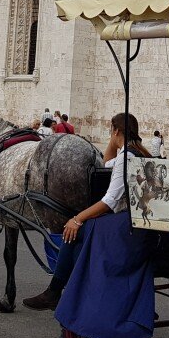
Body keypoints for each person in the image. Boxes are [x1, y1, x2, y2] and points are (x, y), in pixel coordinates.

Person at [23, 113, 153, 312]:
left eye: (112, 131)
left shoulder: (126, 158)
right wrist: (113, 142)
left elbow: (110, 201)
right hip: (135, 219)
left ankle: (54, 290)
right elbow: (106, 164)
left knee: (72, 233)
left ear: (116, 130)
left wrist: (77, 218)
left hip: (121, 222)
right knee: (78, 227)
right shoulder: (139, 153)